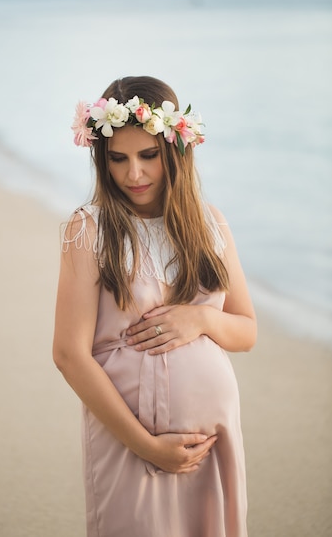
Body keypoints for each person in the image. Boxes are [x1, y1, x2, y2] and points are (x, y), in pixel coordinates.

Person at [53, 75, 257, 537]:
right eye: (118, 159)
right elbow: (68, 355)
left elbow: (246, 331)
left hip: (213, 438)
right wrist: (146, 445)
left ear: (175, 151)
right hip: (133, 443)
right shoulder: (90, 231)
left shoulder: (209, 223)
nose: (134, 174)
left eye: (148, 156)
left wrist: (202, 318)